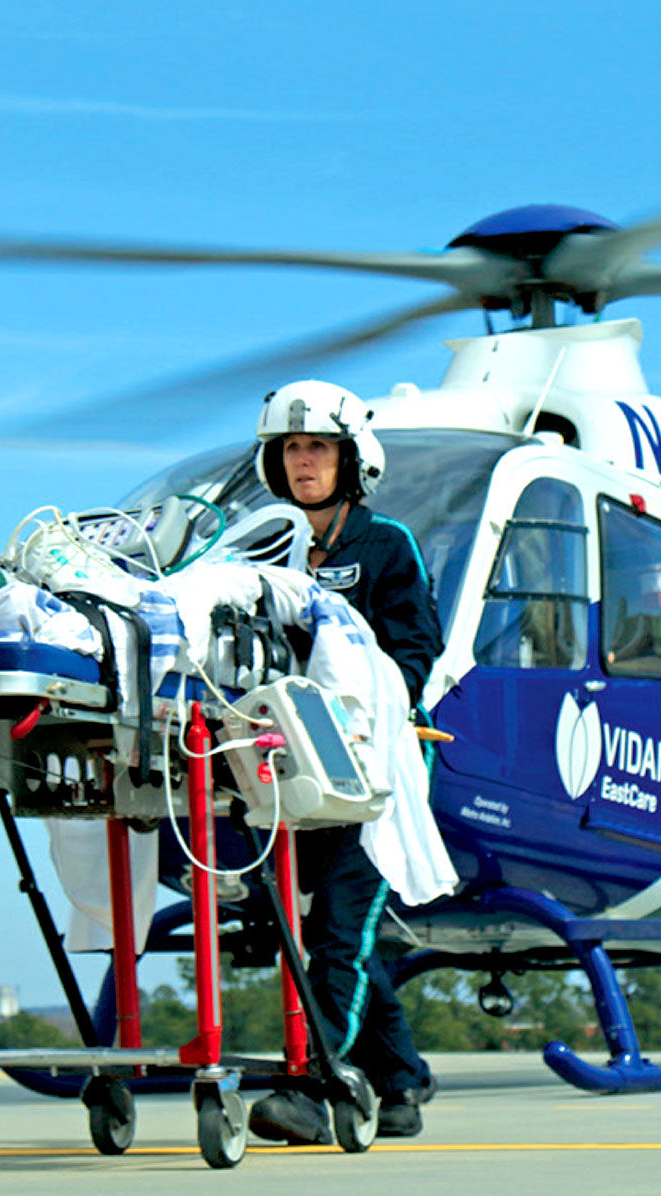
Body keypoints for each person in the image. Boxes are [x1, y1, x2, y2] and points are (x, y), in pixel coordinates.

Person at [242, 379, 443, 1143]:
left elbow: (417, 651)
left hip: (370, 770)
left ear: (350, 458)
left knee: (337, 929)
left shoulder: (385, 544)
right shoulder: (265, 547)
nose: (303, 461)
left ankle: (309, 1086)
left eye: (317, 446)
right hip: (293, 771)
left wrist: (368, 715)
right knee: (339, 936)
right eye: (291, 447)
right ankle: (400, 1080)